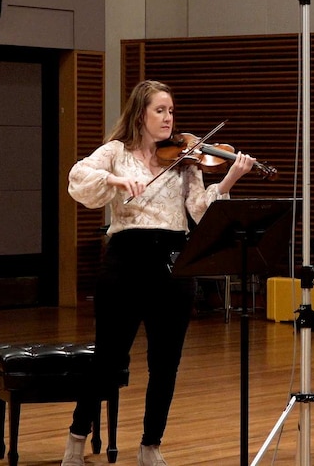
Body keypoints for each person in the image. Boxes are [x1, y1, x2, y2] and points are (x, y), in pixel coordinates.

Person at [61, 80, 255, 466]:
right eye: (160, 111)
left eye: (171, 111)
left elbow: (200, 212)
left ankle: (151, 445)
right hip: (125, 260)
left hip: (173, 262)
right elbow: (78, 179)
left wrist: (230, 178)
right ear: (140, 114)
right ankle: (76, 439)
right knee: (108, 359)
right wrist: (117, 179)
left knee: (165, 362)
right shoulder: (116, 152)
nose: (169, 119)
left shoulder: (186, 158)